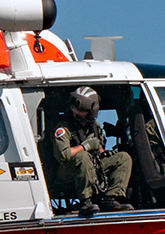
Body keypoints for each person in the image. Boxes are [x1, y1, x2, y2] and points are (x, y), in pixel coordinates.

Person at [49, 86, 133, 215]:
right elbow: (63, 155)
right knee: (82, 156)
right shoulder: (63, 128)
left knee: (123, 157)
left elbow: (99, 147)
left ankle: (111, 198)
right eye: (76, 109)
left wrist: (103, 153)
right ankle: (86, 201)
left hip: (91, 166)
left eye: (82, 111)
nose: (77, 112)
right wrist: (85, 146)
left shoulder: (95, 127)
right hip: (68, 171)